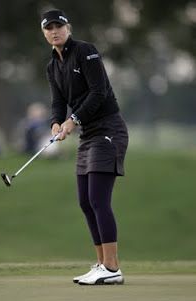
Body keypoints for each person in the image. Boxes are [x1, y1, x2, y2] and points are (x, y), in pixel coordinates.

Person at [41, 9, 129, 285]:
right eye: (49, 28)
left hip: (108, 130)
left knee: (98, 199)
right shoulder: (52, 66)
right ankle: (102, 264)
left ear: (68, 28)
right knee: (85, 202)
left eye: (59, 26)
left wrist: (73, 119)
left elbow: (98, 91)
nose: (54, 31)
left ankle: (112, 268)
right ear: (44, 33)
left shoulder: (85, 51)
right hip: (88, 134)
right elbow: (57, 101)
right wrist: (56, 122)